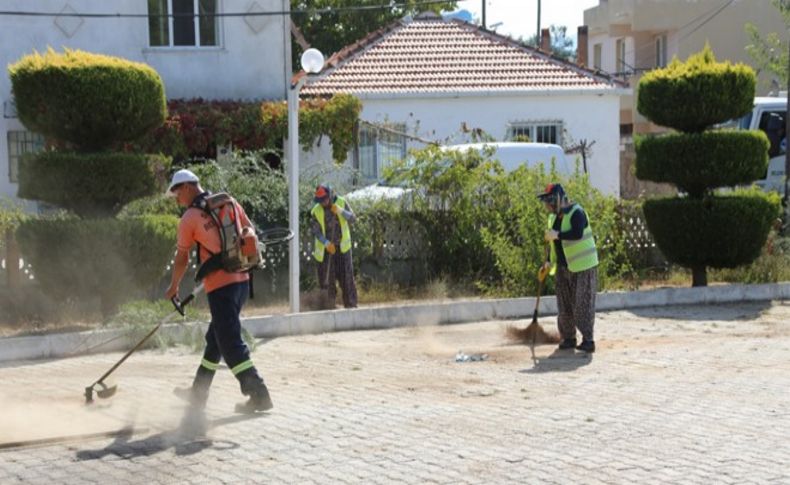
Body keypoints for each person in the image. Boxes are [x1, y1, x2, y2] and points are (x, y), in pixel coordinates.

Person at [165, 169, 272, 413]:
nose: (176, 198)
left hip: (221, 287)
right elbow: (249, 231)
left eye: (176, 192)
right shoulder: (229, 202)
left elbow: (182, 256)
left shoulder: (190, 217)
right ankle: (198, 394)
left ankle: (259, 395)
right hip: (242, 282)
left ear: (187, 187)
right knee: (215, 341)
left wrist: (173, 287)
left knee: (231, 345)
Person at [538, 183, 599, 353]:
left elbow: (577, 233)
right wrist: (549, 263)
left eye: (548, 202)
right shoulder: (552, 218)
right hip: (563, 267)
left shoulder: (576, 212)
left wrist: (558, 234)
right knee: (564, 306)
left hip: (583, 266)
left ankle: (588, 340)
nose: (546, 206)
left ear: (556, 200)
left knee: (582, 304)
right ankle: (569, 338)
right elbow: (554, 245)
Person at [310, 184, 358, 308]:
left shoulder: (341, 202)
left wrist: (341, 211)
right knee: (328, 282)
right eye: (320, 200)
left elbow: (353, 219)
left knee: (347, 279)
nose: (322, 202)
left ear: (330, 195)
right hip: (327, 252)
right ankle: (329, 306)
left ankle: (351, 305)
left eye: (324, 199)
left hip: (343, 249)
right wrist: (326, 243)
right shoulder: (316, 210)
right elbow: (316, 231)